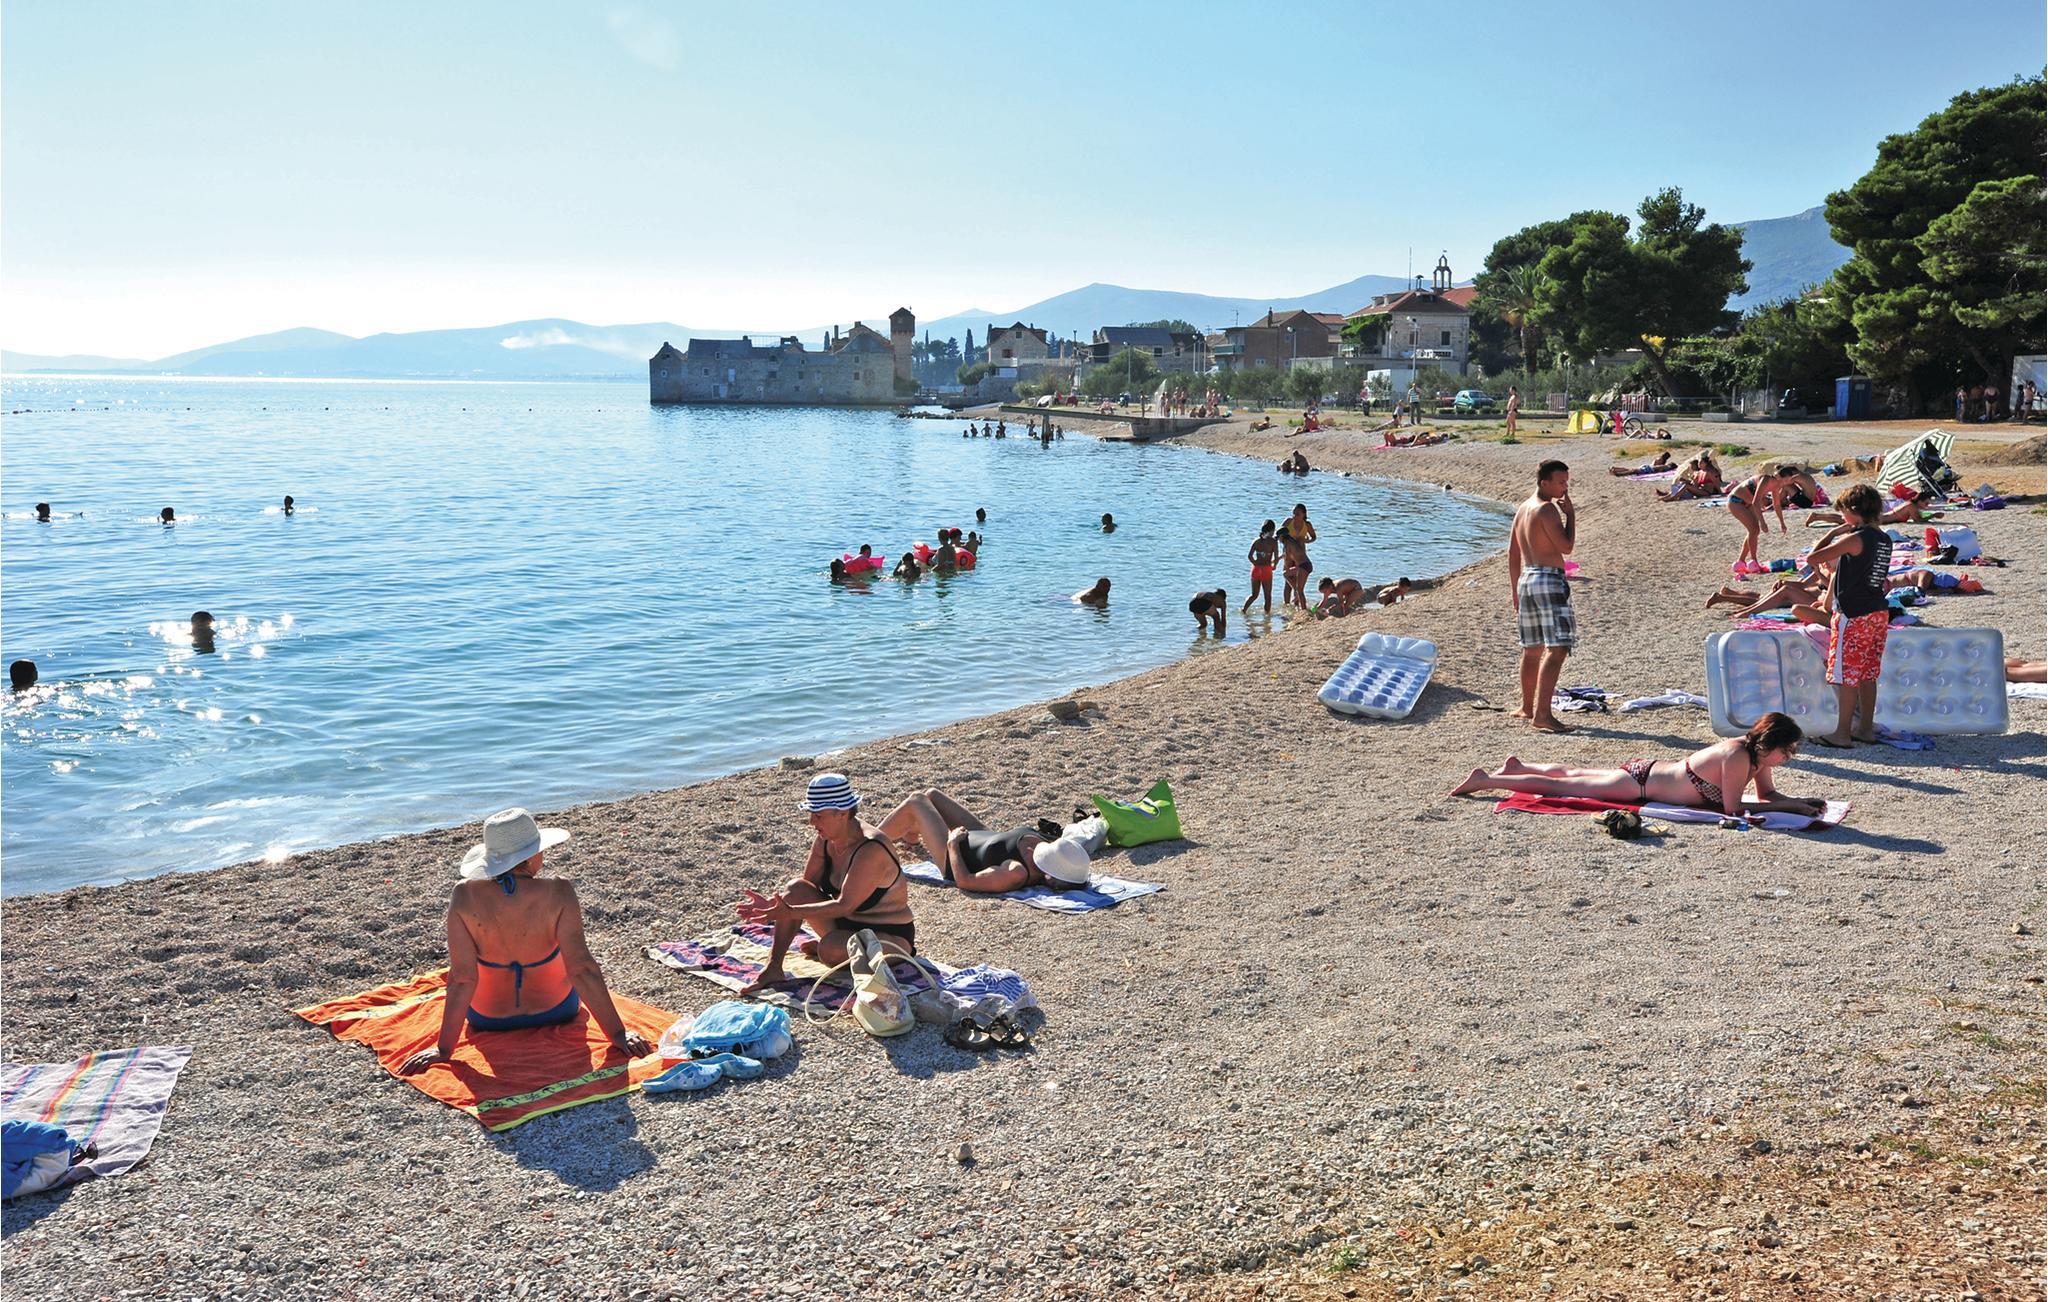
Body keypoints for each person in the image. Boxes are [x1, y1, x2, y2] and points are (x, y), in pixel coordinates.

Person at [398, 808, 655, 1074]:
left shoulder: (464, 895)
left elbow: (463, 979)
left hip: (488, 1019)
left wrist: (443, 1049)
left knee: (465, 968)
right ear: (532, 856)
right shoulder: (559, 891)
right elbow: (582, 969)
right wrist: (617, 1034)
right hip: (558, 1010)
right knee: (562, 953)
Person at [1451, 712, 1822, 819]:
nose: (1788, 757)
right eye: (1787, 751)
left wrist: (1797, 801)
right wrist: (1789, 809)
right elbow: (1732, 809)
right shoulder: (1738, 756)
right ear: (1771, 745)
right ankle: (1489, 780)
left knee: (1577, 774)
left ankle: (1519, 766)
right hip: (1640, 785)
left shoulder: (1755, 755)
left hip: (1649, 772)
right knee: (1567, 787)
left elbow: (1767, 796)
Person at [737, 774, 917, 990]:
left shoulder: (871, 848)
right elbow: (806, 888)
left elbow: (845, 905)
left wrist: (789, 912)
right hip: (843, 923)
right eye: (811, 814)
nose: (812, 822)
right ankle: (773, 967)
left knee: (829, 950)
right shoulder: (826, 839)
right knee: (795, 888)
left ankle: (835, 945)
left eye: (818, 815)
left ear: (842, 813)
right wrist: (774, 906)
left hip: (890, 935)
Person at [1803, 484, 1894, 747]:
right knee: (1868, 673)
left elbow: (1813, 558)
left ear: (1853, 511)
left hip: (1854, 614)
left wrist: (1834, 532)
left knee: (1846, 675)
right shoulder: (1884, 539)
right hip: (1878, 611)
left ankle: (1841, 733)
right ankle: (1865, 729)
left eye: (1843, 511)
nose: (1842, 516)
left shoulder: (1856, 538)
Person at [876, 789, 1091, 895]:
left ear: (1050, 877)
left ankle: (868, 841)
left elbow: (965, 881)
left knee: (917, 801)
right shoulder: (1051, 845)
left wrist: (952, 844)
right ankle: (911, 835)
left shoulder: (1016, 872)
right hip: (982, 837)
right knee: (932, 795)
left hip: (954, 858)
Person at [1508, 460, 1576, 733]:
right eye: (1560, 482)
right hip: (1549, 579)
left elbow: (1513, 554)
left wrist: (1515, 590)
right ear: (1544, 483)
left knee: (1532, 647)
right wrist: (1571, 516)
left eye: (1566, 482)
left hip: (1527, 579)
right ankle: (1543, 715)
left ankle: (1526, 707)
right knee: (1558, 648)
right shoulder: (1547, 510)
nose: (1565, 487)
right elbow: (1566, 547)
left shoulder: (1523, 508)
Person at [1725, 464, 1789, 574]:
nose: (1789, 481)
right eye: (1788, 478)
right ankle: (1753, 561)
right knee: (1754, 529)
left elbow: (1777, 505)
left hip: (1748, 502)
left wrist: (1782, 523)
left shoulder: (1776, 486)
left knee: (1754, 531)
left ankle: (1741, 561)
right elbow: (1756, 502)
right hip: (1736, 501)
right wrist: (1763, 522)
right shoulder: (1766, 479)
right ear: (1780, 477)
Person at [1241, 520, 1278, 613]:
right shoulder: (1273, 542)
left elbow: (1250, 556)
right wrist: (1274, 566)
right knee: (1267, 596)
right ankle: (1267, 617)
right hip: (1266, 570)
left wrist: (1255, 564)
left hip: (1256, 570)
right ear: (1272, 530)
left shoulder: (1256, 541)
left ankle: (1244, 610)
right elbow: (1276, 557)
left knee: (1254, 595)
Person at [1610, 450, 1674, 477]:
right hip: (1649, 468)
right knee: (1632, 470)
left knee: (1630, 469)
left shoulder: (1659, 459)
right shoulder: (1663, 464)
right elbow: (1657, 468)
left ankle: (1615, 469)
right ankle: (1618, 473)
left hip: (1647, 466)